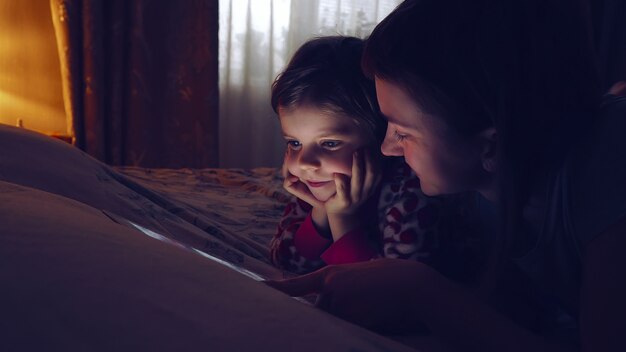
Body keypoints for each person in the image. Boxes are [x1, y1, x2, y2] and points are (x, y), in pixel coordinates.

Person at [267, 1, 626, 351]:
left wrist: (420, 291)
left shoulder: (610, 161)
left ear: (490, 146)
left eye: (403, 133)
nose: (386, 147)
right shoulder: (479, 190)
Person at [269, 36, 483, 284]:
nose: (305, 163)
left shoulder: (413, 194)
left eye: (329, 143)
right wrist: (321, 213)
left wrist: (342, 219)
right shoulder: (318, 183)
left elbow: (380, 291)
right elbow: (285, 261)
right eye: (294, 143)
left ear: (379, 135)